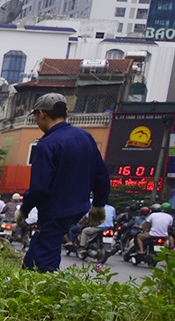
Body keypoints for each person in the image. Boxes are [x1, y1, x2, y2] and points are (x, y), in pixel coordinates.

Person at [17, 92, 109, 272]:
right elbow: (101, 174)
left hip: (56, 209)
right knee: (38, 247)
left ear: (42, 113)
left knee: (44, 256)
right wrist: (99, 204)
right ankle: (28, 278)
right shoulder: (85, 137)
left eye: (36, 116)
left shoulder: (47, 144)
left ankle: (44, 290)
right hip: (79, 207)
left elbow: (39, 188)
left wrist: (24, 209)